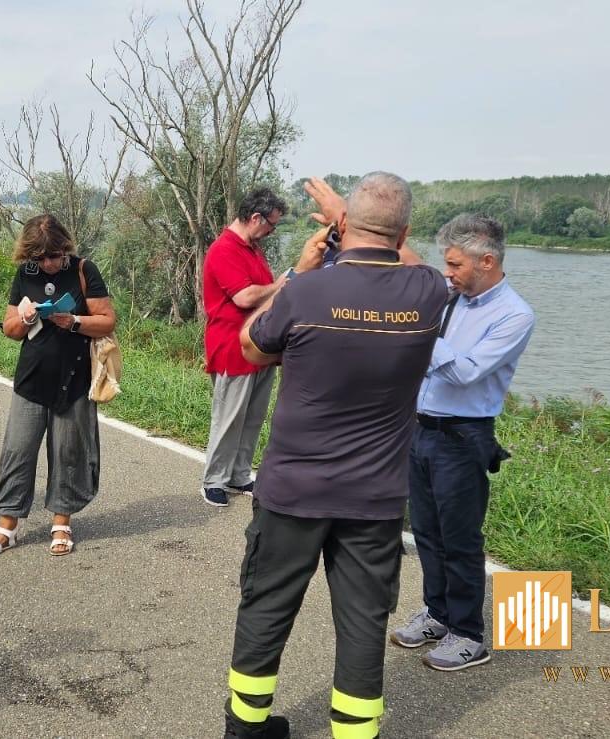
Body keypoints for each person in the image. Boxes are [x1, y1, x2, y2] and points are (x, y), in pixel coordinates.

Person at [223, 172, 447, 739]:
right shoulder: (426, 294)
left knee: (267, 609)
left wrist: (301, 267)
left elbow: (250, 345)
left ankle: (244, 730)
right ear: (405, 232)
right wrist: (356, 219)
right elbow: (417, 261)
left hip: (292, 491)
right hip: (374, 499)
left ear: (342, 227)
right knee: (363, 625)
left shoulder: (305, 291)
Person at [391, 214, 535, 672]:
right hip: (421, 430)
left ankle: (469, 634)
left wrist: (420, 326)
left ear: (486, 260)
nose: (447, 273)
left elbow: (466, 371)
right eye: (445, 264)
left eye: (454, 265)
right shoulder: (451, 298)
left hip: (462, 437)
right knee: (426, 533)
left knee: (460, 538)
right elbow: (413, 270)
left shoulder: (514, 314)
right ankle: (438, 614)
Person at [0, 215, 116, 558]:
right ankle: (7, 525)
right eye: (39, 258)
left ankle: (61, 521)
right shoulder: (26, 274)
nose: (48, 264)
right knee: (18, 450)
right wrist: (24, 319)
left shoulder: (84, 269)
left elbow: (107, 320)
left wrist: (74, 322)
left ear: (65, 249)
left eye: (54, 256)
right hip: (32, 377)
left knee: (68, 451)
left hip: (75, 377)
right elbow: (9, 328)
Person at [200, 188, 288, 507]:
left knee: (253, 416)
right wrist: (279, 285)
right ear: (255, 218)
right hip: (231, 345)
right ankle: (214, 479)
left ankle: (238, 474)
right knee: (230, 416)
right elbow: (244, 297)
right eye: (271, 225)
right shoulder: (225, 249)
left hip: (258, 345)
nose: (271, 231)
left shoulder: (252, 248)